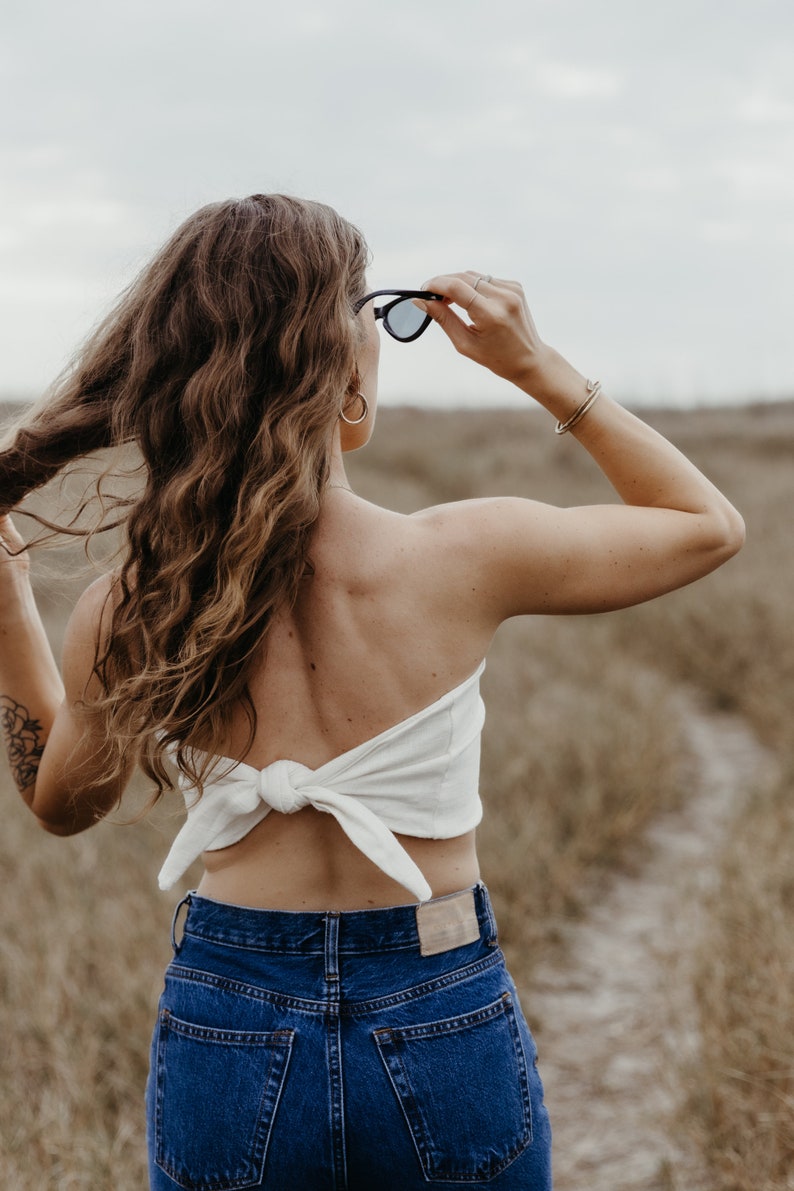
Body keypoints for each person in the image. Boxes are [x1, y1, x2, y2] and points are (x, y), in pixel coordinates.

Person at [0, 194, 744, 1190]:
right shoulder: (459, 556)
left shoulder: (132, 607)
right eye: (374, 314)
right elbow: (704, 525)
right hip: (439, 995)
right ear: (341, 363)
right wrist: (534, 367)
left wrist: (9, 603)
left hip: (231, 1012)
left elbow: (58, 803)